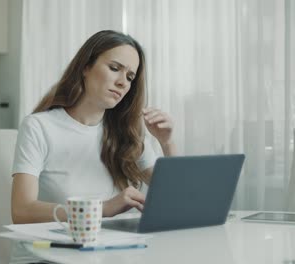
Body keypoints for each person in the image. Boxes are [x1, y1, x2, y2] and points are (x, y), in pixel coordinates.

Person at [10, 29, 175, 263]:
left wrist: (166, 142)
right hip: (47, 257)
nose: (122, 82)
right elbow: (22, 211)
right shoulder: (39, 126)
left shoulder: (127, 134)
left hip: (109, 256)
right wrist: (102, 209)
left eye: (130, 77)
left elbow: (174, 200)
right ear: (86, 67)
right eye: (115, 68)